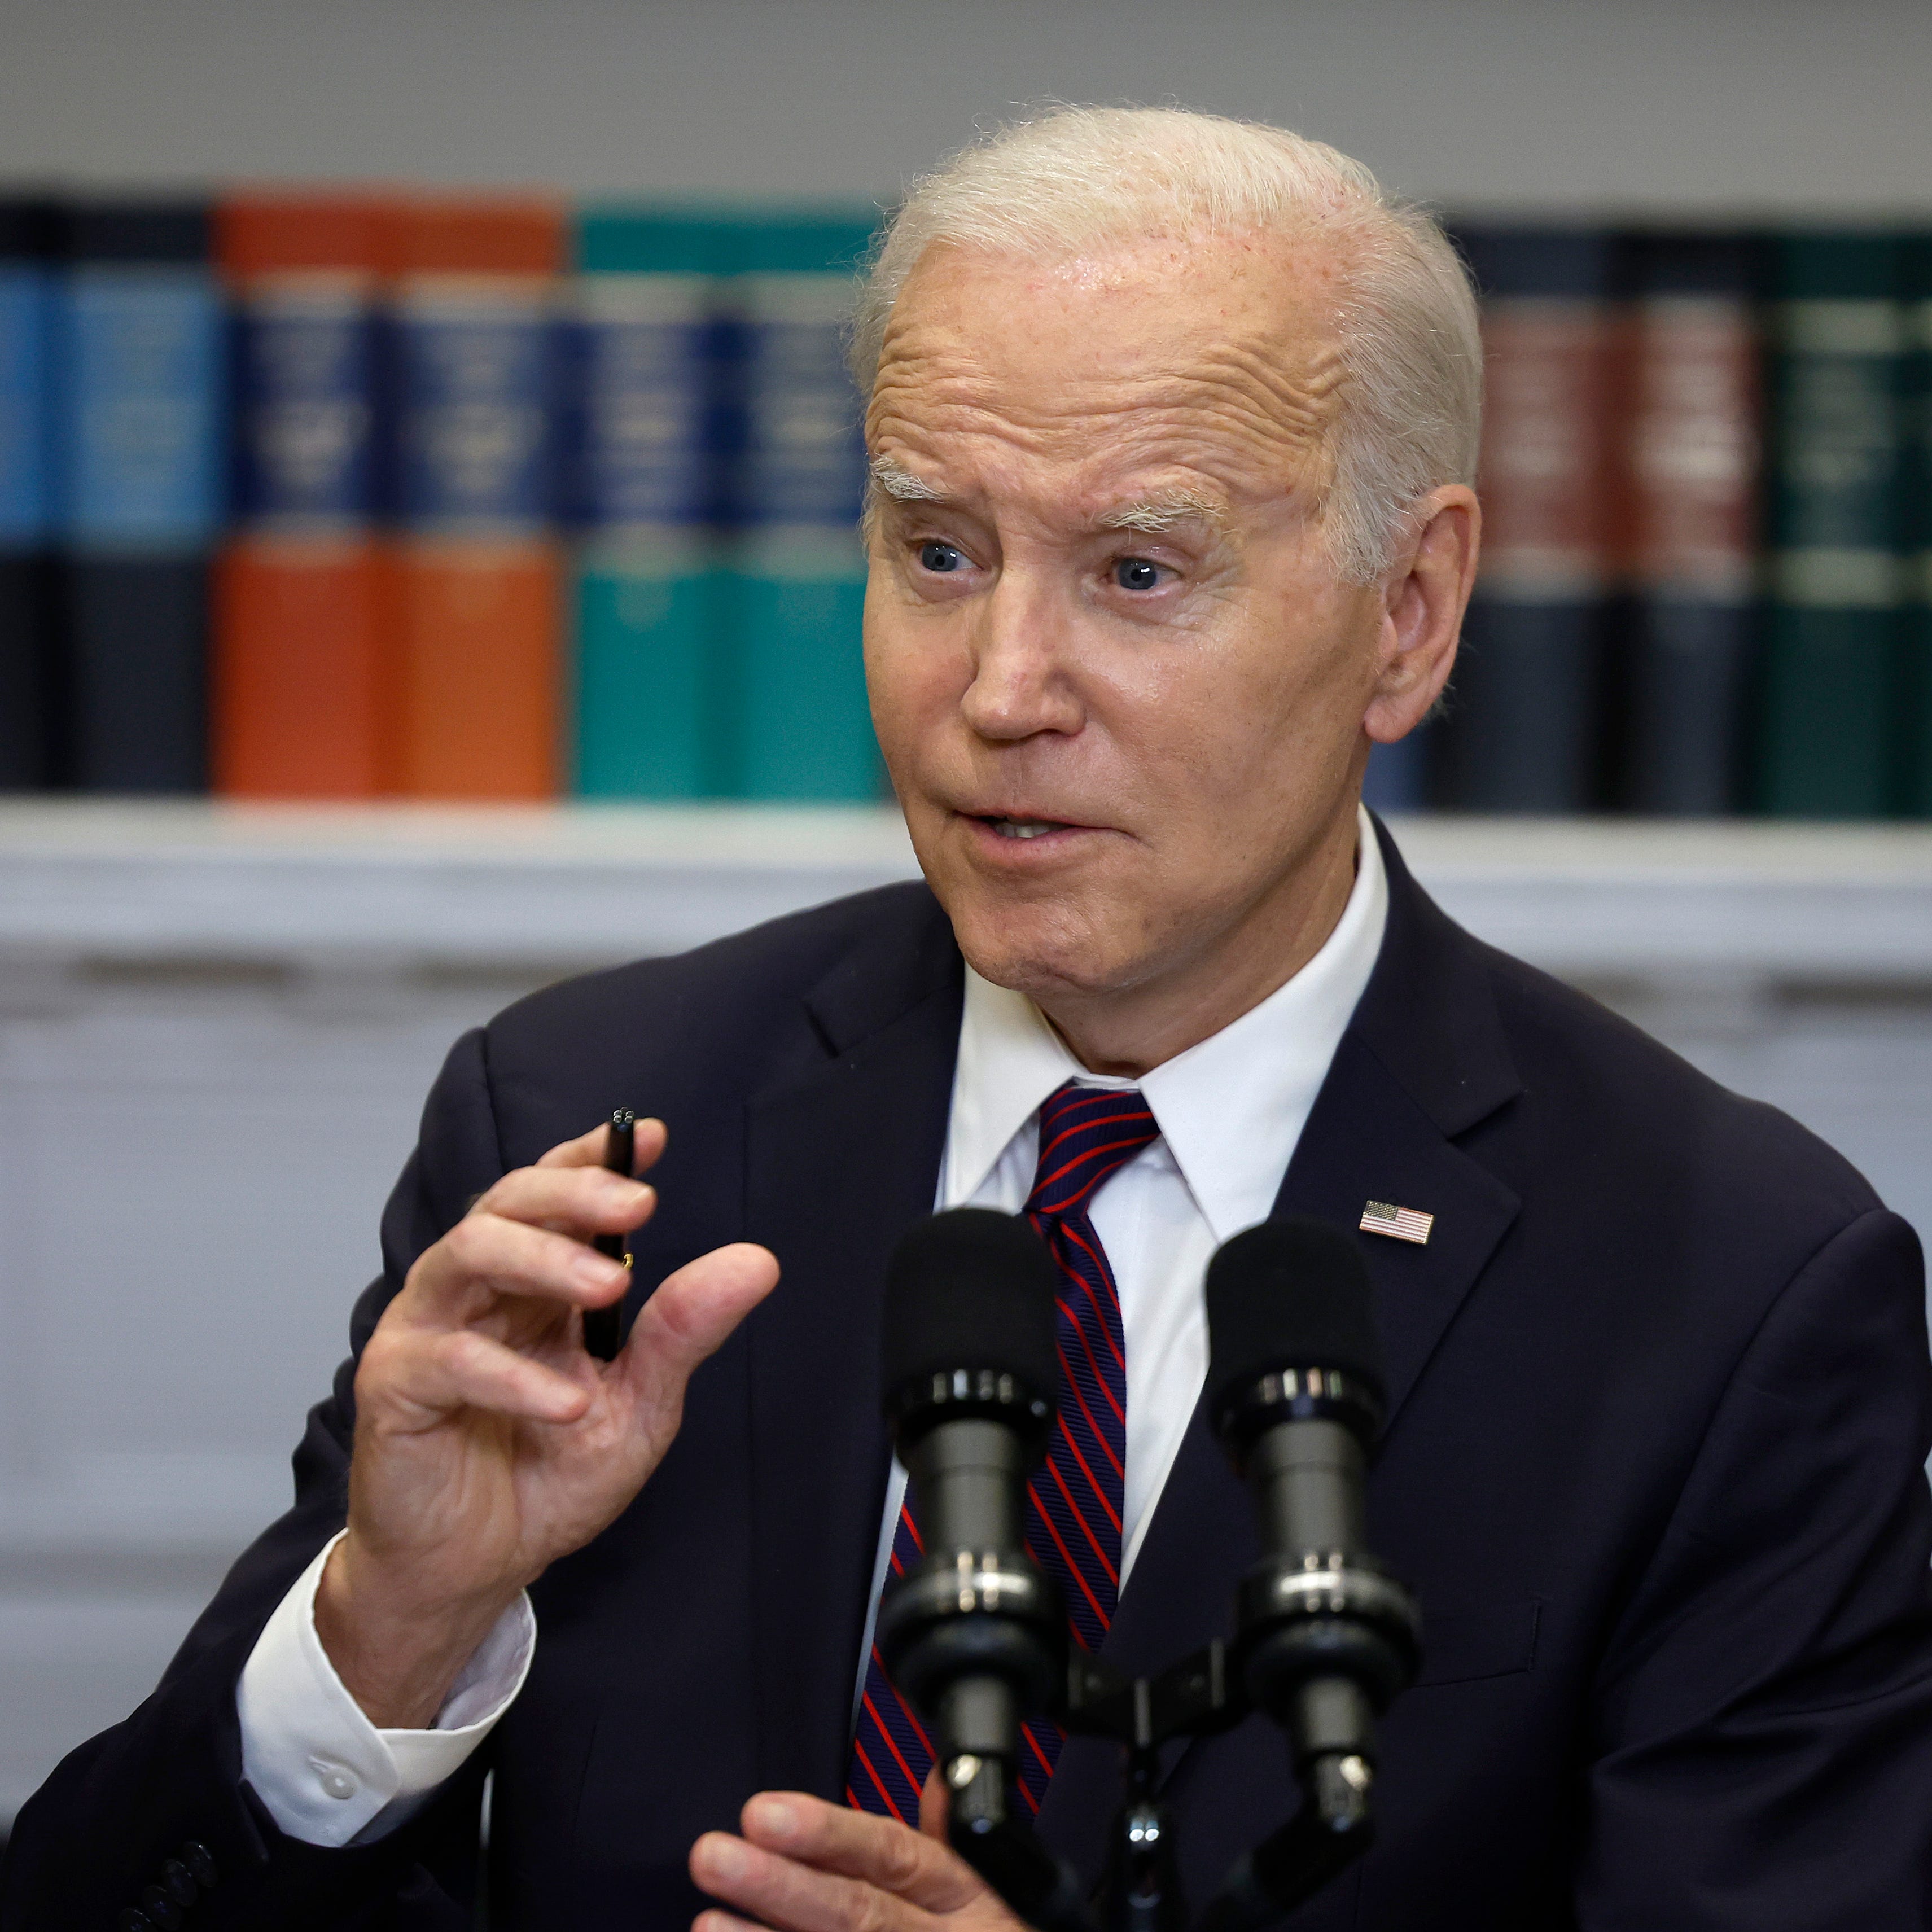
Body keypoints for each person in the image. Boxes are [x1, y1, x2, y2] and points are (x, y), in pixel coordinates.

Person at [7, 106, 1931, 1932]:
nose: (1003, 687)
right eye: (937, 551)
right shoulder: (594, 1126)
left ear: (1408, 615)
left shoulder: (1730, 1294)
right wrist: (389, 1630)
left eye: (1138, 572)